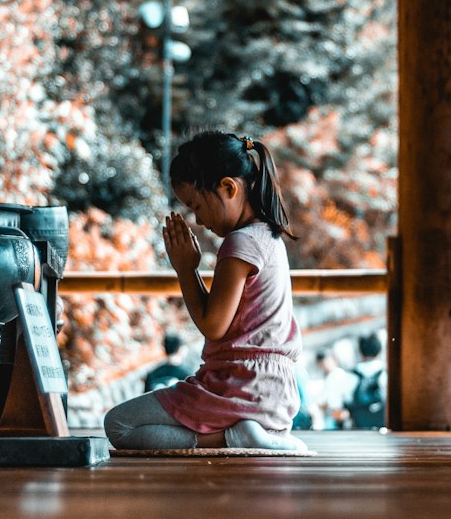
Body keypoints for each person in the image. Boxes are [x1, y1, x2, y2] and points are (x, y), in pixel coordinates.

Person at [103, 131, 307, 451]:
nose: (197, 219)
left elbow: (213, 325)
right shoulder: (269, 236)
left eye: (197, 205)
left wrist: (186, 269)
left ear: (228, 188)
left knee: (118, 424)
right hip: (273, 393)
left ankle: (232, 436)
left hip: (236, 384)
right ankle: (257, 435)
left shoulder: (240, 242)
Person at [346, 333, 386, 429]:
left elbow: (341, 404)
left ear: (361, 352)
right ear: (379, 350)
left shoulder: (350, 376)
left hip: (360, 431)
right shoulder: (386, 373)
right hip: (384, 431)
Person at [312, 349, 356, 429]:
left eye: (325, 362)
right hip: (331, 415)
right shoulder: (325, 377)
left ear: (334, 360)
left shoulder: (338, 375)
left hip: (339, 414)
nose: (323, 365)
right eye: (321, 363)